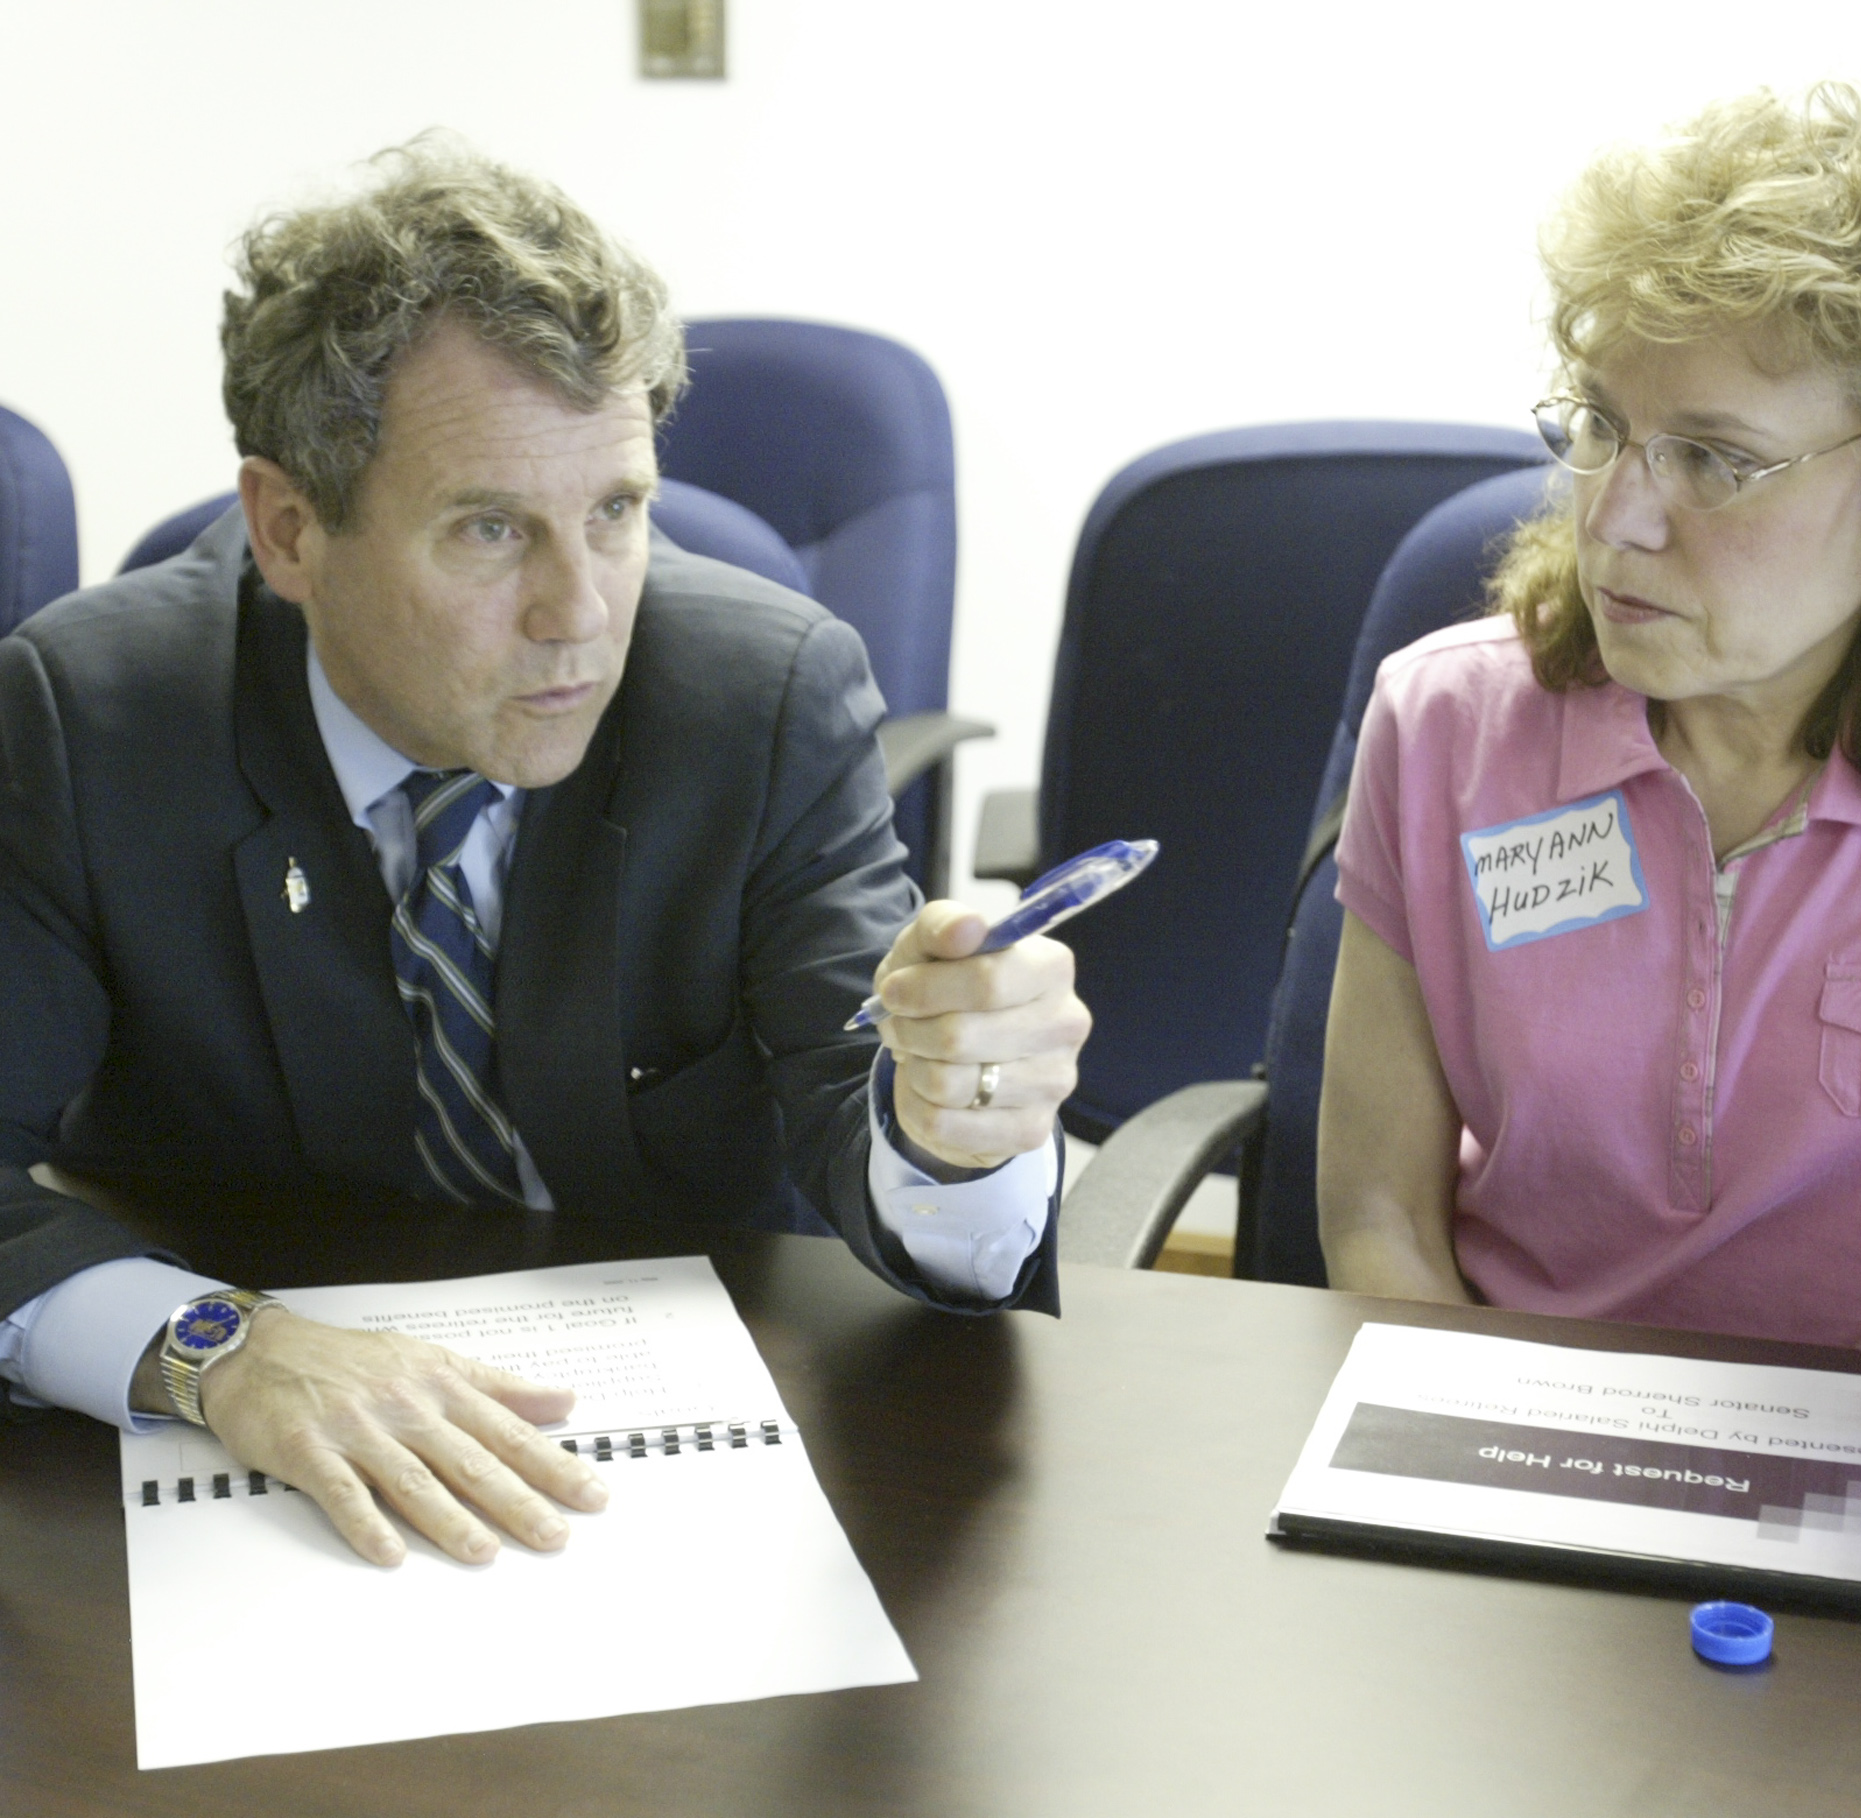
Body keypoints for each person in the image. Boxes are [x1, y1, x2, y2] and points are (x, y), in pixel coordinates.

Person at [0, 140, 1089, 1566]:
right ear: (287, 529)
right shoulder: (93, 716)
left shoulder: (760, 697)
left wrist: (958, 1127)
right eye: (493, 528)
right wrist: (217, 1347)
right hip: (248, 1496)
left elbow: (882, 1143)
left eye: (618, 511)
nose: (580, 612)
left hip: (681, 1465)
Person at [1317, 73, 1861, 1360]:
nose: (1613, 518)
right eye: (1598, 426)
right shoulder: (1450, 731)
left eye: (1712, 459)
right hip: (1511, 1424)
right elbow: (1378, 1219)